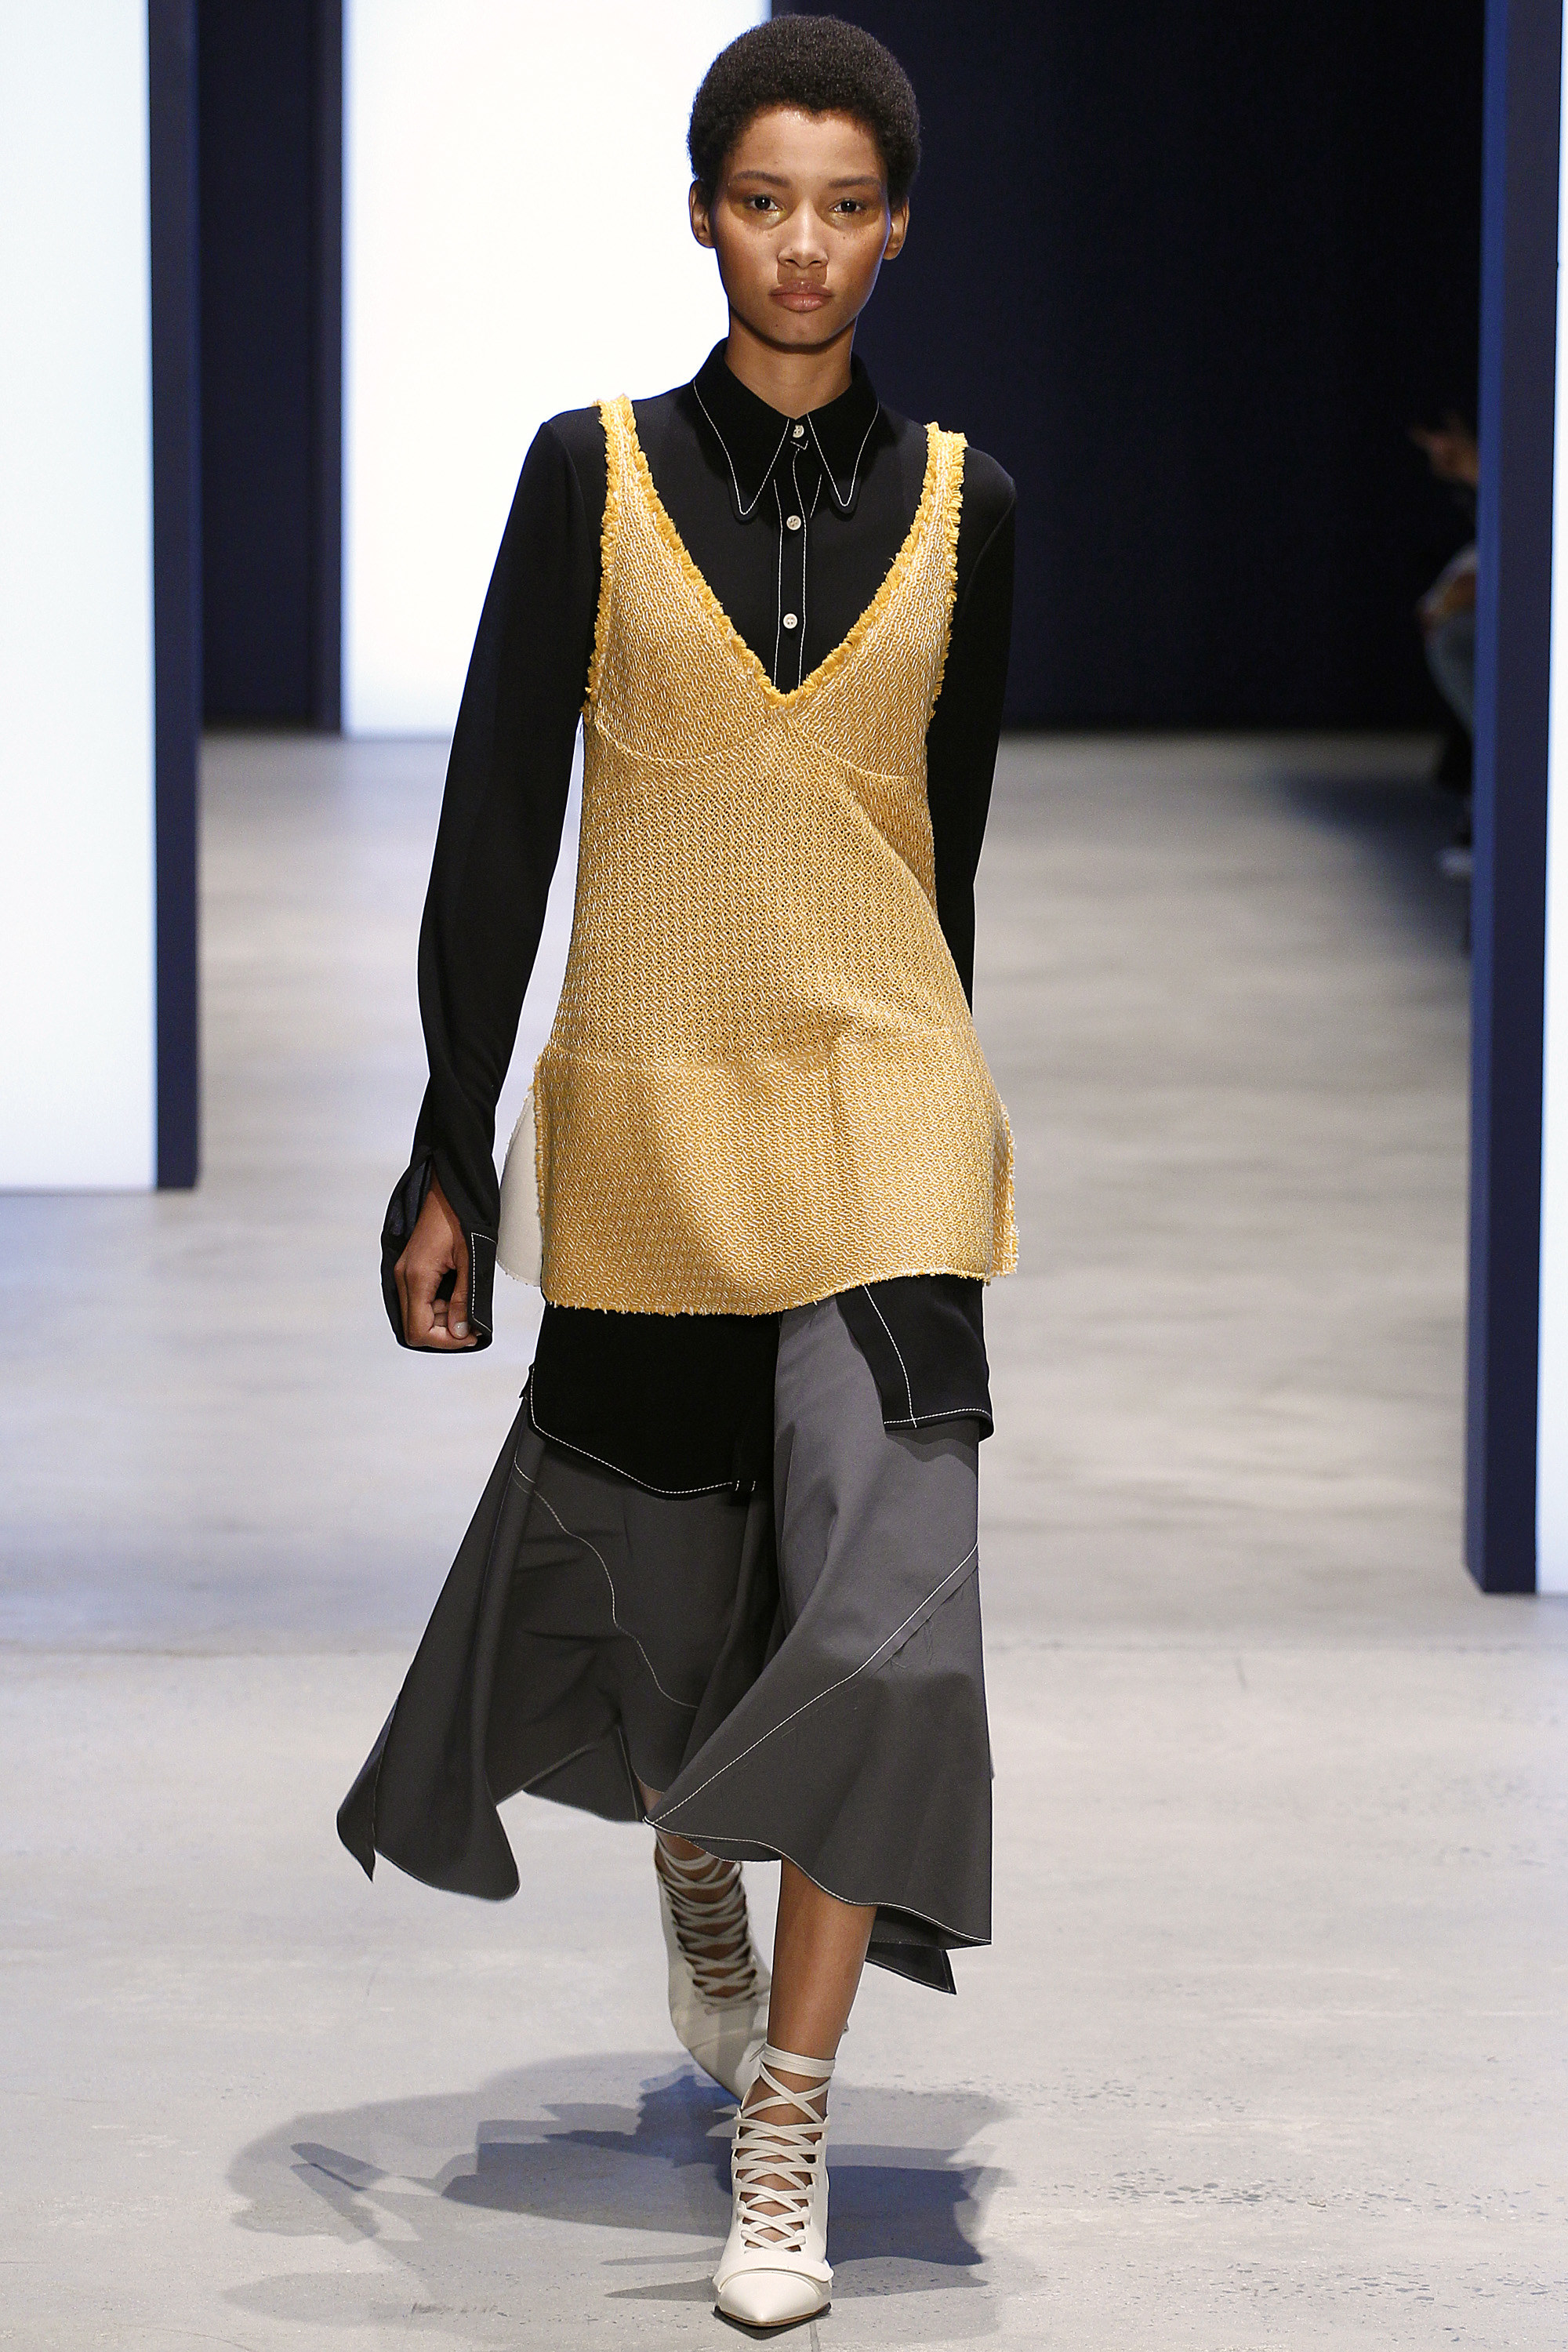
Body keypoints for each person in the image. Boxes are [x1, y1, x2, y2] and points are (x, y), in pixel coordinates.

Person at [337, 15, 1016, 2329]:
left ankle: (788, 2119)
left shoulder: (973, 508)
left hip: (888, 1114)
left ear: (897, 228)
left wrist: (938, 1081)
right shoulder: (592, 476)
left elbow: (944, 850)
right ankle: (696, 1852)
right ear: (705, 214)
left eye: (847, 204)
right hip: (647, 1113)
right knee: (678, 1609)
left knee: (897, 1608)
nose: (803, 244)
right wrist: (451, 1144)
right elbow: (494, 820)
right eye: (764, 200)